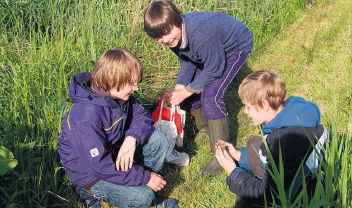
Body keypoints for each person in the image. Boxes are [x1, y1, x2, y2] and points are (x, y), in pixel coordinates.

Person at [58, 48, 178, 208]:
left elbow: (142, 116)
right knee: (142, 198)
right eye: (132, 83)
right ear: (114, 82)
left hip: (113, 153)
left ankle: (139, 182)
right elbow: (101, 166)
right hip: (91, 173)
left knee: (159, 140)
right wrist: (145, 177)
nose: (136, 88)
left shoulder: (120, 96)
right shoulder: (85, 116)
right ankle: (88, 192)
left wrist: (131, 139)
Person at [144, 0, 253, 176]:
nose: (164, 40)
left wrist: (187, 91)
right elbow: (187, 61)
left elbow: (215, 68)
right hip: (212, 52)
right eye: (158, 37)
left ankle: (222, 156)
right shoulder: (175, 38)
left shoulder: (201, 34)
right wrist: (179, 89)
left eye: (166, 33)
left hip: (235, 48)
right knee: (191, 93)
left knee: (211, 97)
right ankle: (206, 130)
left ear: (176, 20)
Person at [215, 70, 329, 207]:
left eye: (248, 107)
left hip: (306, 192)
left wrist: (233, 172)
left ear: (265, 105)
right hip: (298, 170)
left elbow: (267, 195)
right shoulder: (293, 114)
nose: (245, 111)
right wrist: (238, 155)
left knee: (243, 203)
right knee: (253, 144)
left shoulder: (283, 144)